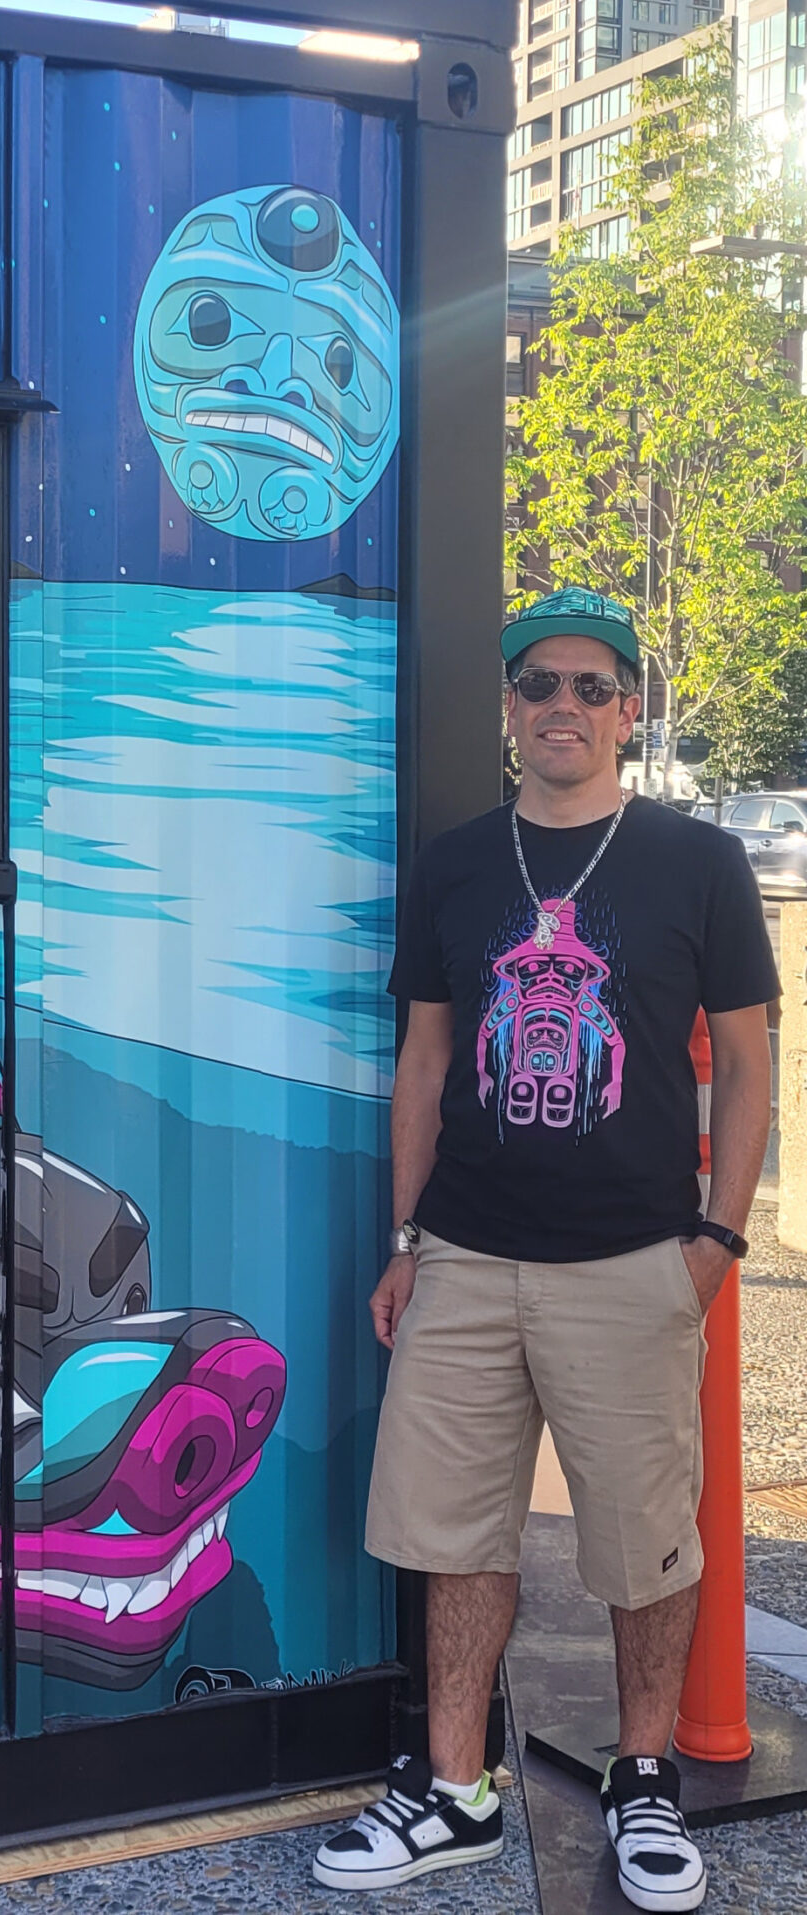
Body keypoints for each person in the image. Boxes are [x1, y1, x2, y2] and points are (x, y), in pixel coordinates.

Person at [310, 587, 775, 1912]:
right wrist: (407, 1236)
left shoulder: (698, 862)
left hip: (635, 1262)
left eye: (590, 684)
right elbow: (426, 1062)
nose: (561, 705)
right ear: (509, 709)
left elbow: (744, 1066)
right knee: (455, 1534)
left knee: (643, 1540)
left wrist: (716, 1239)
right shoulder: (458, 863)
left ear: (630, 708)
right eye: (537, 685)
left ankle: (641, 1778)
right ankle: (452, 1787)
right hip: (463, 1256)